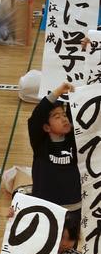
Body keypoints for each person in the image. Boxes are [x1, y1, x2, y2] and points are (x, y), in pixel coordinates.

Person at [28, 81, 80, 210]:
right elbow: (37, 116)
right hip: (47, 208)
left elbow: (76, 112)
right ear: (46, 127)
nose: (64, 119)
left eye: (64, 115)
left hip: (75, 206)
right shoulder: (40, 144)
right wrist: (57, 92)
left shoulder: (74, 139)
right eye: (57, 117)